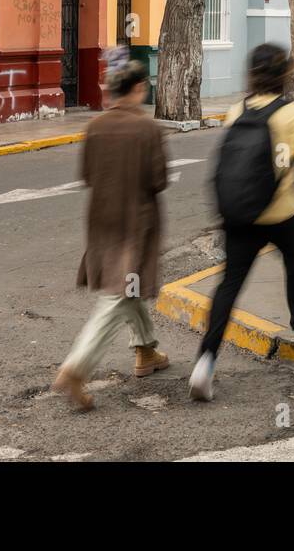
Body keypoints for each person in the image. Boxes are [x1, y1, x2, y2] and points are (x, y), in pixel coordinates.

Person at [189, 44, 294, 402]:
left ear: (251, 74)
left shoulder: (239, 109)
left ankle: (205, 362)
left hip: (240, 214)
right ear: (286, 74)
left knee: (230, 284)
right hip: (280, 214)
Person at [53, 59, 170, 410]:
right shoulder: (147, 129)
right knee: (119, 294)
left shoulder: (95, 127)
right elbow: (159, 180)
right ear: (137, 90)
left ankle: (146, 350)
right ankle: (78, 366)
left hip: (102, 220)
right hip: (136, 223)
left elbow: (87, 176)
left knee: (126, 288)